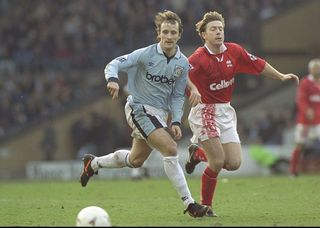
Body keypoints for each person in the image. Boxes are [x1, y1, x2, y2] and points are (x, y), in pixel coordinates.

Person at [79, 10, 208, 217]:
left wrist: (175, 120)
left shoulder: (182, 63)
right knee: (170, 147)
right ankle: (190, 203)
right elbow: (115, 63)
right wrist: (112, 78)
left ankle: (93, 163)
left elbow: (177, 95)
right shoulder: (146, 54)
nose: (168, 36)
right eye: (165, 32)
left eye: (172, 32)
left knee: (136, 160)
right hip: (138, 107)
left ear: (179, 35)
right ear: (159, 34)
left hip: (158, 115)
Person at [184, 11, 299, 216]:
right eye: (213, 29)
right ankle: (205, 206)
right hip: (205, 111)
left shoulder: (234, 51)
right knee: (218, 161)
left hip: (225, 110)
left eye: (221, 28)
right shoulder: (198, 58)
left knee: (234, 163)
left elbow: (259, 64)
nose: (219, 32)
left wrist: (281, 76)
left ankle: (198, 154)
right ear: (204, 34)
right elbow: (182, 75)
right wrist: (192, 89)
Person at [289, 58, 320, 177]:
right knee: (299, 144)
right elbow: (301, 100)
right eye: (315, 68)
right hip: (305, 121)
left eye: (318, 68)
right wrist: (307, 110)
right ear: (310, 70)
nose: (317, 70)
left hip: (319, 120)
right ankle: (293, 171)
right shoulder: (305, 82)